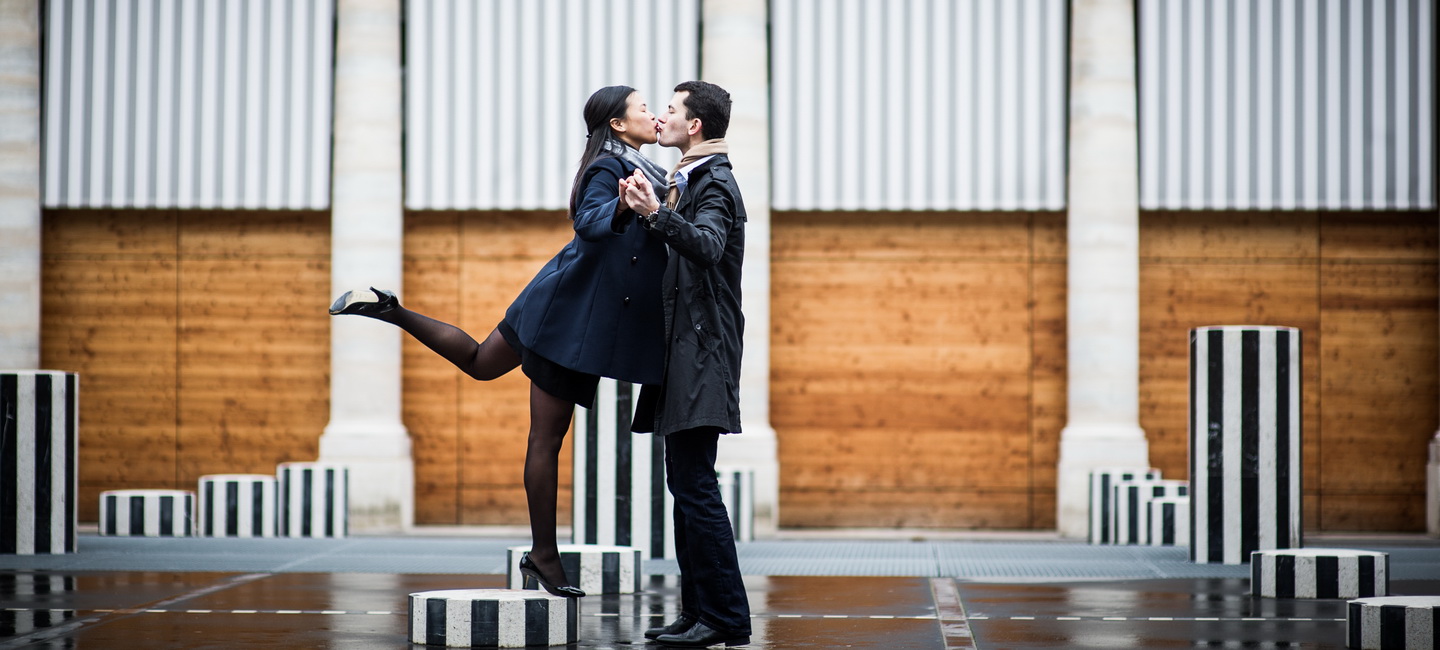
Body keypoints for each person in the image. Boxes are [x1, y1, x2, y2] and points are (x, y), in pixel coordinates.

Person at [328, 85, 669, 599]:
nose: (654, 113)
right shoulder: (609, 169)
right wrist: (622, 210)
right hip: (570, 320)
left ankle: (390, 309)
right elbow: (589, 221)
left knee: (481, 362)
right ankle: (545, 557)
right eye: (644, 108)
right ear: (618, 124)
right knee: (544, 440)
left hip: (560, 299)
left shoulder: (646, 172)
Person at [620, 81, 752, 648]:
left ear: (694, 125)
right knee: (685, 483)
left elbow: (708, 245)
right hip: (685, 353)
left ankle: (723, 617)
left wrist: (655, 216)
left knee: (695, 486)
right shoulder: (687, 179)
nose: (663, 117)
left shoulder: (716, 183)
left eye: (671, 109)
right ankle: (697, 611)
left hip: (704, 351)